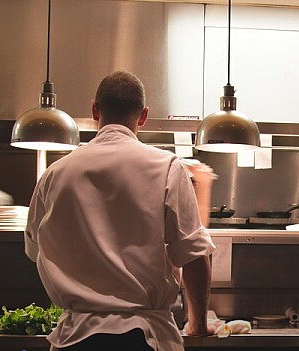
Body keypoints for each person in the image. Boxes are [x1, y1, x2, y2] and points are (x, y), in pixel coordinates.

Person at [24, 71, 215, 351]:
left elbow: (35, 250)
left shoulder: (55, 174)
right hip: (143, 338)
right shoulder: (167, 168)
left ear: (94, 109)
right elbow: (194, 255)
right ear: (144, 116)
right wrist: (197, 326)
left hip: (75, 340)